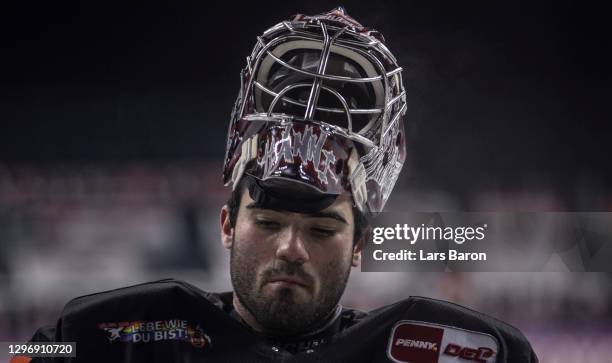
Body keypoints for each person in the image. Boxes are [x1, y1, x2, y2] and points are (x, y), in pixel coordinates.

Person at [15, 8, 538, 363]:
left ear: (359, 246)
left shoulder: (463, 347)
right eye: (267, 222)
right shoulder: (105, 335)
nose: (291, 249)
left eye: (322, 229)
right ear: (227, 224)